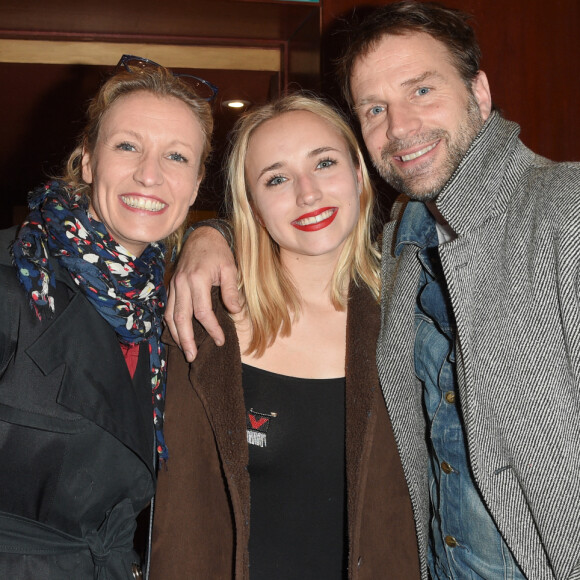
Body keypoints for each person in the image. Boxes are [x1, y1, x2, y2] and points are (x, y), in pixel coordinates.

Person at [164, 2, 580, 579]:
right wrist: (208, 234)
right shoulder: (407, 256)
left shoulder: (565, 211)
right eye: (376, 108)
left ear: (479, 93)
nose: (402, 126)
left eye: (421, 91)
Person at [148, 94, 420, 579]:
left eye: (325, 163)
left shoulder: (415, 317)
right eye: (277, 178)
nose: (308, 193)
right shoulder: (200, 324)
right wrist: (205, 235)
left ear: (359, 174)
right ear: (251, 207)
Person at [0, 54, 214, 578]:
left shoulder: (174, 307)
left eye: (177, 157)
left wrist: (217, 234)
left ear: (196, 183)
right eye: (127, 146)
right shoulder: (15, 276)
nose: (149, 174)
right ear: (89, 162)